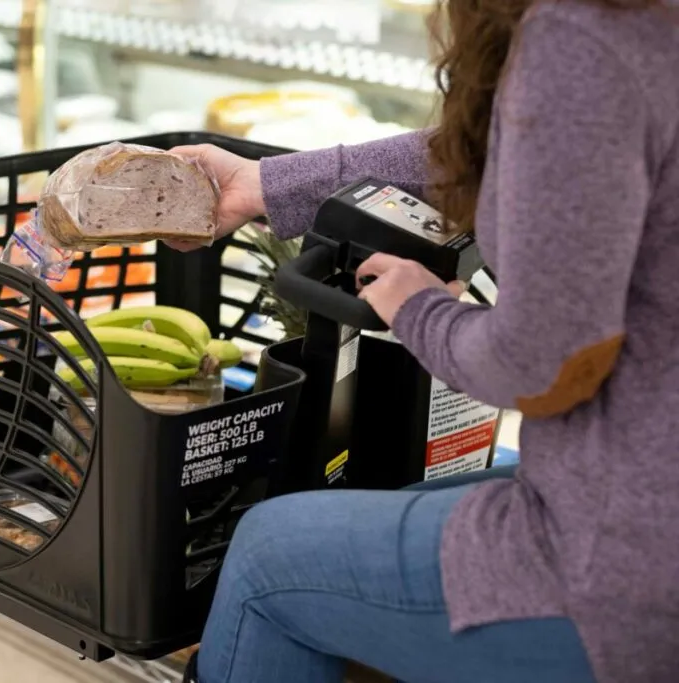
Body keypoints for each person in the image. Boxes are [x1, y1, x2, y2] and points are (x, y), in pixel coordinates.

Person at [170, 1, 679, 681]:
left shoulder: (581, 37)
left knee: (265, 557)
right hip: (632, 493)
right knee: (392, 505)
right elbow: (508, 148)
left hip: (627, 566)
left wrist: (420, 311)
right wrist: (266, 183)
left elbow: (543, 366)